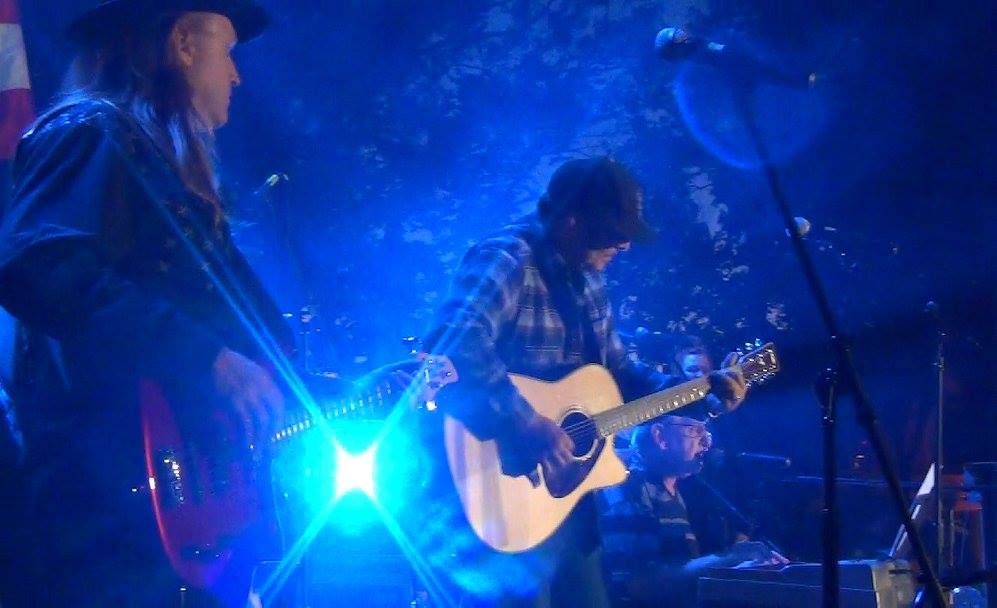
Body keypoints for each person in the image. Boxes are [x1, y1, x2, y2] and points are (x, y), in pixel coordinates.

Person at [0, 1, 290, 606]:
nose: (237, 75)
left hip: (175, 517)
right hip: (106, 515)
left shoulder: (156, 164)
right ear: (183, 44)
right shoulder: (89, 131)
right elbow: (38, 264)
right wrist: (205, 357)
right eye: (228, 51)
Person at [423, 156, 748, 607]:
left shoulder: (588, 280)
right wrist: (524, 420)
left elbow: (621, 374)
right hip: (500, 491)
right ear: (572, 222)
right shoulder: (508, 257)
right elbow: (451, 340)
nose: (624, 245)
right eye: (615, 231)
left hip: (570, 506)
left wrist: (702, 394)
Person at [599, 416, 786, 608]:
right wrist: (729, 559)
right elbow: (638, 584)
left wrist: (739, 568)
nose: (706, 442)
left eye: (706, 431)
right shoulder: (630, 489)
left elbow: (679, 576)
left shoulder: (671, 491)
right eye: (694, 431)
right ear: (660, 437)